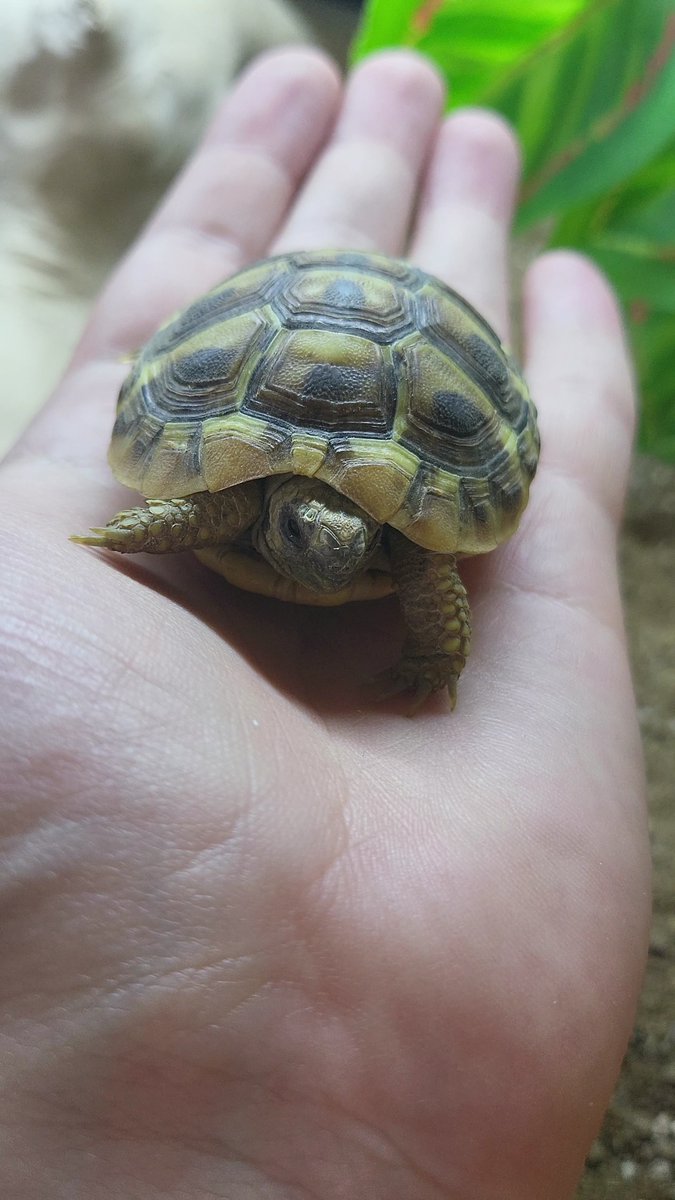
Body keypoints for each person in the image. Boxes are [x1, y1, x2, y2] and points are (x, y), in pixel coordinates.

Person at [0, 47, 650, 1200]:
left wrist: (433, 648)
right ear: (280, 517)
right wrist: (124, 538)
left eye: (352, 537)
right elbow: (196, 507)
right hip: (247, 430)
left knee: (414, 552)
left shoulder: (380, 539)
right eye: (321, 533)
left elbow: (420, 569)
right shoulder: (233, 503)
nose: (342, 543)